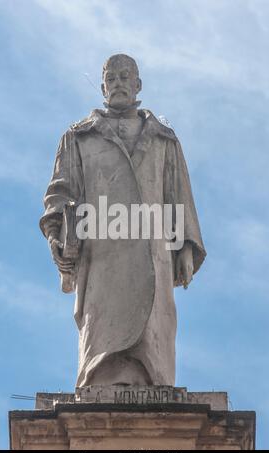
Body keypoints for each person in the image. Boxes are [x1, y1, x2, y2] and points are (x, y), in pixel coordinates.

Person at [40, 54, 206, 387]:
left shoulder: (164, 138)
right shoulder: (78, 137)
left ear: (137, 85)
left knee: (154, 325)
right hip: (101, 251)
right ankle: (102, 377)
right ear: (103, 86)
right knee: (102, 322)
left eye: (124, 77)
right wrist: (57, 236)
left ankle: (150, 381)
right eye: (111, 78)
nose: (117, 83)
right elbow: (59, 194)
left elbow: (178, 194)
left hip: (153, 249)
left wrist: (186, 244)